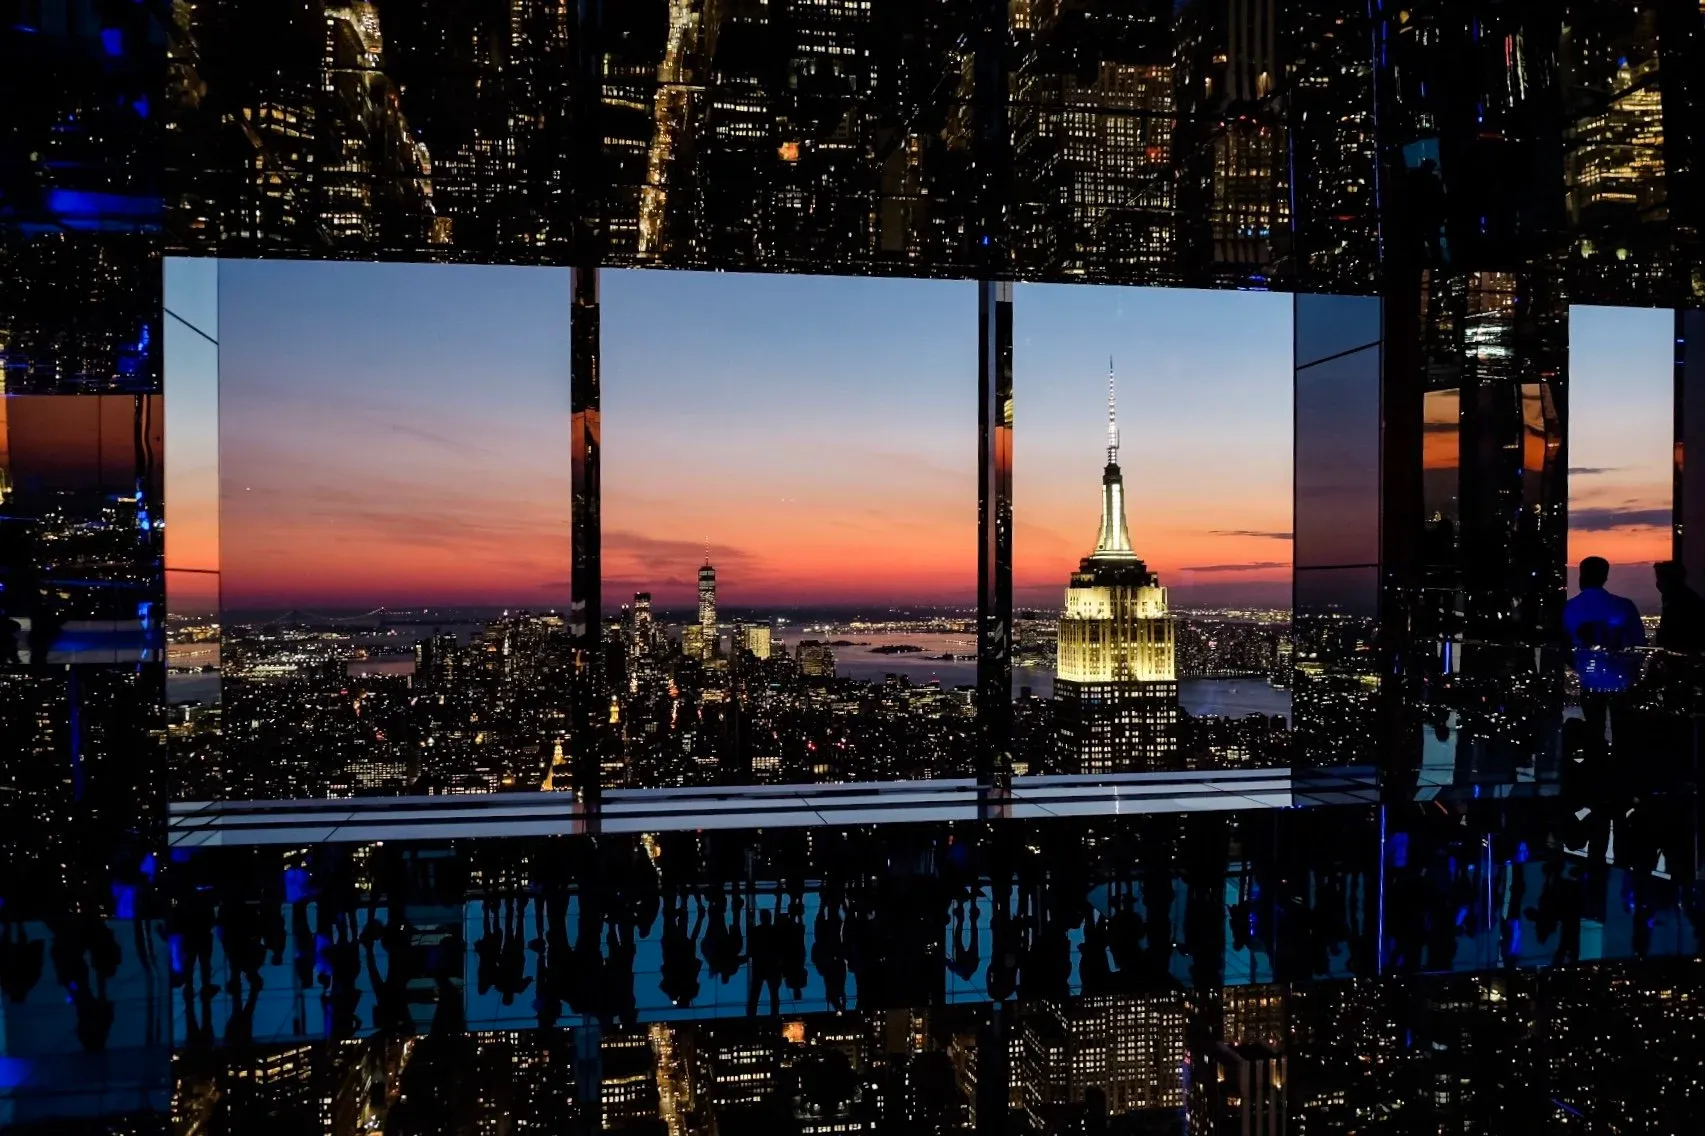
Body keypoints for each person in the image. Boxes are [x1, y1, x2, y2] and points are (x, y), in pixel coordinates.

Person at [1563, 556, 1646, 758]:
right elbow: (1638, 643)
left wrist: (1580, 667)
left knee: (1594, 729)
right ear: (1605, 576)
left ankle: (1595, 768)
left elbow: (1564, 646)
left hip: (1589, 679)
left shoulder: (1569, 608)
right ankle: (1621, 770)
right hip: (1621, 679)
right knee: (1622, 731)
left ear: (1582, 575)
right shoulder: (1624, 606)